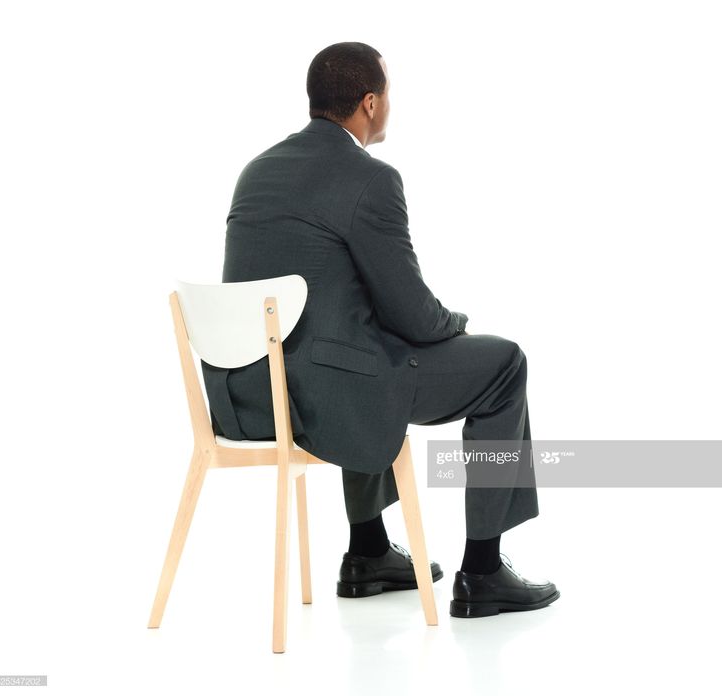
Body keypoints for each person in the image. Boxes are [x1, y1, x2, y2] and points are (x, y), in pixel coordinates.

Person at [201, 41, 559, 618]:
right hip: (327, 396)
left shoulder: (257, 171)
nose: (388, 104)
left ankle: (368, 551)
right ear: (369, 103)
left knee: (349, 343)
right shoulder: (369, 179)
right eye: (387, 93)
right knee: (503, 364)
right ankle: (484, 571)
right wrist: (456, 324)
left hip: (251, 395)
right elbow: (413, 316)